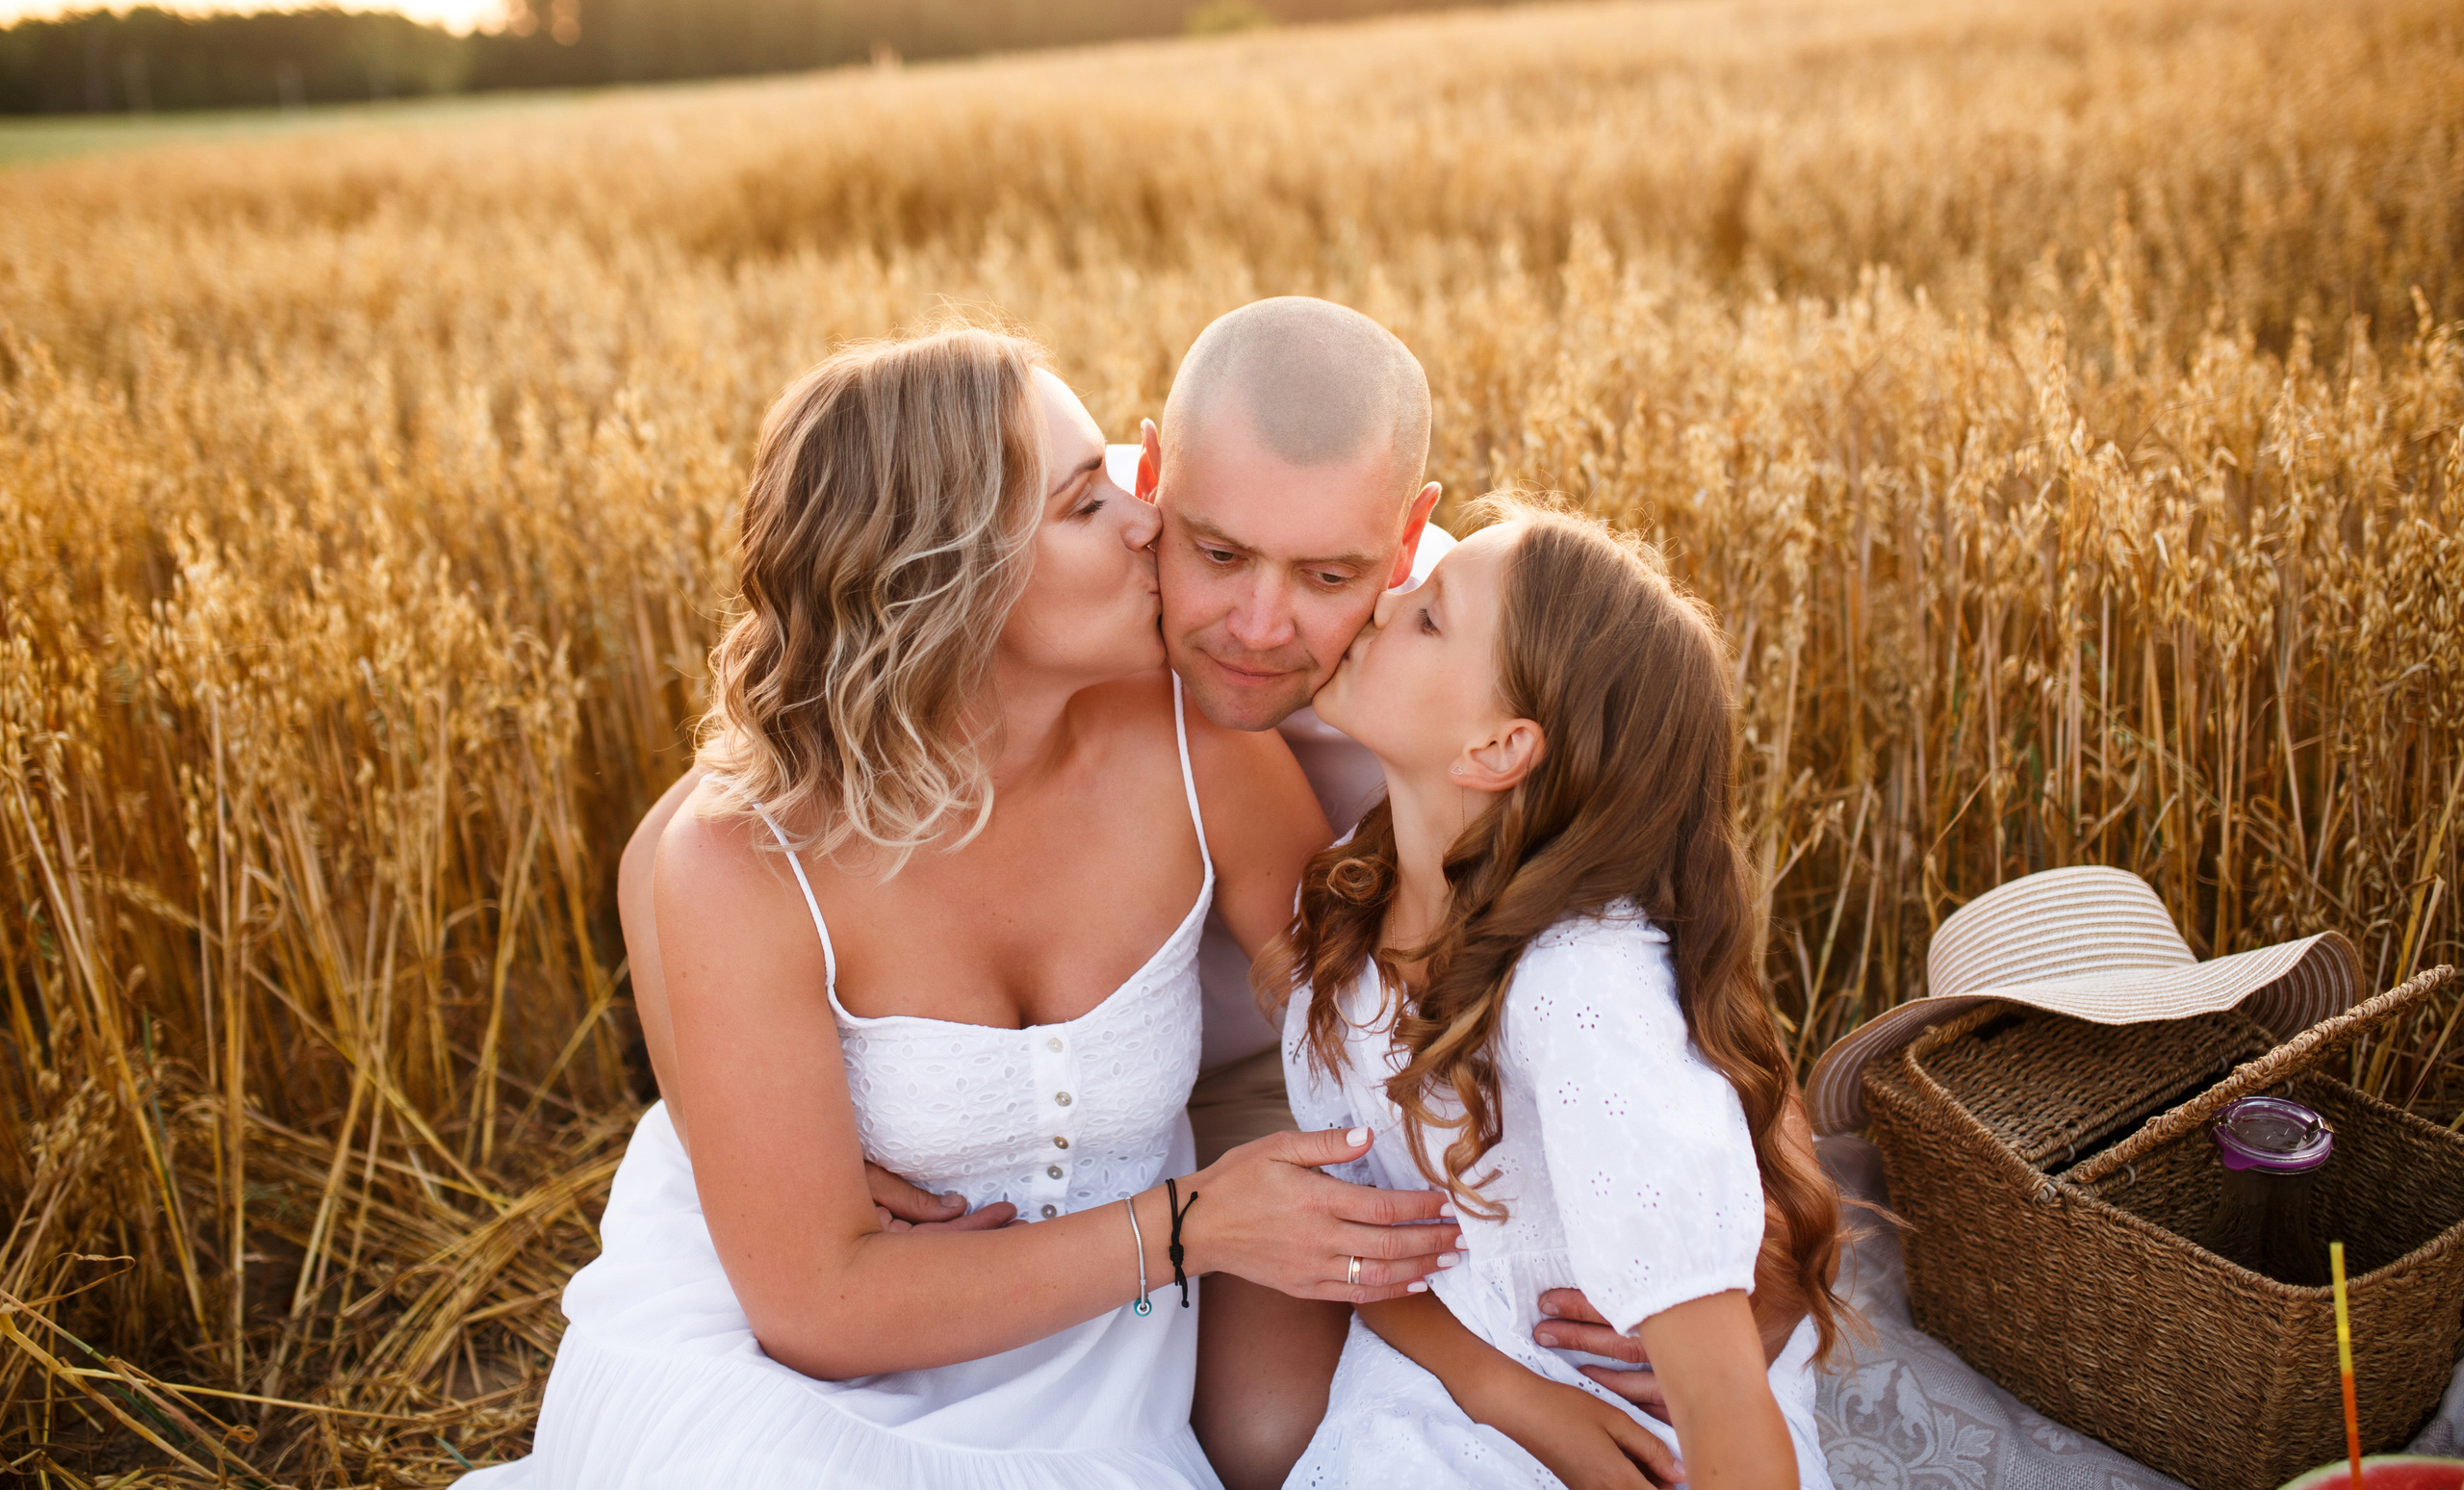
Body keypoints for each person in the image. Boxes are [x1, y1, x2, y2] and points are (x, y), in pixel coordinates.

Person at [616, 297, 1822, 1487]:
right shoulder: (1100, 543)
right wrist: (784, 1122)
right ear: (1159, 480)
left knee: (1267, 1428)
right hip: (1227, 1084)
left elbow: (1642, 966)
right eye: (1213, 550)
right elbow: (683, 853)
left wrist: (1763, 1267)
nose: (1255, 625)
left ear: (1405, 543)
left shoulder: (1469, 644)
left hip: (1299, 1070)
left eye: (1331, 574)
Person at [463, 324, 1467, 1490]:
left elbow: (1378, 1030)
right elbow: (813, 1304)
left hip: (1093, 1360)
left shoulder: (1262, 688)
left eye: (1118, 484)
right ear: (945, 580)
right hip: (783, 1371)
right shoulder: (749, 854)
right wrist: (1189, 1227)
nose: (1147, 520)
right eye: (1089, 501)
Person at [1271, 497, 1848, 1489]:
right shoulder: (1347, 914)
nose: (1384, 602)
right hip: (1446, 1381)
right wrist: (1507, 1395)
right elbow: (1359, 1241)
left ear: (1497, 748)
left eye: (1427, 616)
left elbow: (1715, 1395)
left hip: (1626, 1411)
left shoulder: (1577, 987)